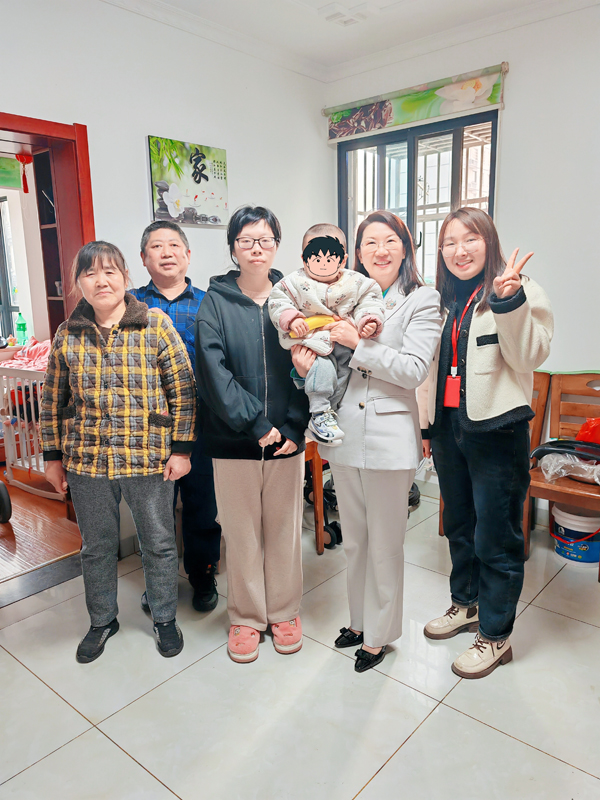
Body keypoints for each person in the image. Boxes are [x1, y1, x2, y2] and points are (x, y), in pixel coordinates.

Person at [293, 210, 442, 672]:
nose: (380, 250)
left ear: (405, 247)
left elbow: (413, 370)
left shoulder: (422, 299)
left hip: (390, 438)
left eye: (390, 240)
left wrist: (359, 344)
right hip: (344, 434)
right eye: (370, 242)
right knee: (355, 540)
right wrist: (303, 369)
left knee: (385, 544)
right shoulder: (343, 294)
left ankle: (379, 635)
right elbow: (326, 362)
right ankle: (358, 622)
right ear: (355, 253)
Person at [41, 241, 197, 663]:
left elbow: (183, 391)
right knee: (96, 547)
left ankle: (164, 617)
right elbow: (52, 400)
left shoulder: (154, 323)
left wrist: (182, 450)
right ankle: (102, 620)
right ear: (78, 283)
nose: (101, 280)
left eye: (110, 271)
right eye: (90, 273)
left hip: (149, 457)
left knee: (159, 542)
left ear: (126, 277)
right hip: (86, 460)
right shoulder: (67, 333)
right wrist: (52, 458)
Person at [419, 207, 553, 679]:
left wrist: (509, 302)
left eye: (470, 239)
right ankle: (466, 603)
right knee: (459, 526)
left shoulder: (519, 288)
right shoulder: (439, 301)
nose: (460, 250)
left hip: (497, 430)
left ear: (489, 241)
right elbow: (429, 370)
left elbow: (529, 355)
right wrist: (427, 428)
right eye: (450, 242)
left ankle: (495, 635)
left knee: (496, 537)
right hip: (448, 429)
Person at [195, 205, 309, 663]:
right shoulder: (215, 302)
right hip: (233, 441)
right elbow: (212, 372)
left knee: (284, 530)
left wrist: (294, 425)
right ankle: (245, 616)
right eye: (246, 240)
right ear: (233, 248)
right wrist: (256, 424)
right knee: (241, 534)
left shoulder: (295, 299)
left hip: (288, 440)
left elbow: (311, 363)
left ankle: (283, 611)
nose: (256, 248)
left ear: (276, 246)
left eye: (265, 240)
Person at [130, 220, 221, 613]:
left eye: (173, 245)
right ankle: (159, 582)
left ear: (187, 254)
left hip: (201, 423)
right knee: (154, 514)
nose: (165, 252)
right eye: (156, 246)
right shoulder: (129, 304)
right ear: (143, 258)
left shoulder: (209, 303)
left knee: (202, 506)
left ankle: (203, 575)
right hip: (147, 428)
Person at [268, 229, 385, 445]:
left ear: (343, 259)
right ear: (304, 259)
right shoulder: (294, 282)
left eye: (330, 259)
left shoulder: (356, 282)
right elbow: (277, 301)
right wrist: (292, 319)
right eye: (316, 259)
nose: (323, 265)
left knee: (342, 379)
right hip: (312, 341)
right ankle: (319, 413)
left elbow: (370, 300)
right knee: (323, 371)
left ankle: (327, 417)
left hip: (344, 342)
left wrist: (368, 320)